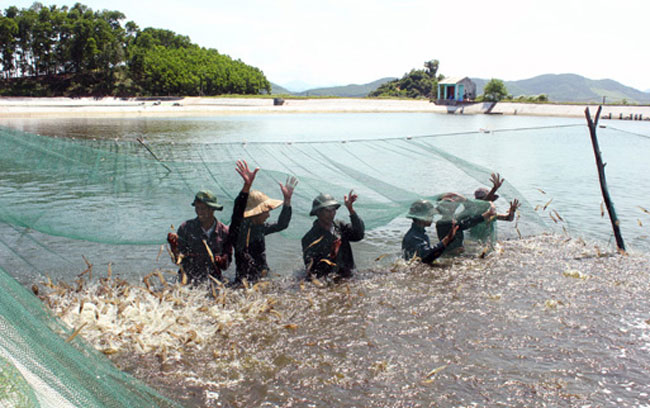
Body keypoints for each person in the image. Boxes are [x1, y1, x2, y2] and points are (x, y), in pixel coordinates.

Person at [168, 160, 258, 284]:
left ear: (213, 209)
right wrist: (173, 246)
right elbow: (177, 259)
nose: (200, 212)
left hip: (212, 281)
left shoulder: (224, 232)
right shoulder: (186, 228)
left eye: (204, 208)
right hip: (188, 279)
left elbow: (226, 265)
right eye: (197, 208)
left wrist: (221, 260)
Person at [233, 176, 298, 284]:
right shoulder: (240, 231)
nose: (268, 215)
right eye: (266, 211)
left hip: (262, 274)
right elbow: (242, 255)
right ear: (256, 213)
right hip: (246, 280)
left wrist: (287, 201)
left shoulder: (259, 227)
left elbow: (281, 225)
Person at [302, 190, 364, 280]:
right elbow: (311, 268)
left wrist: (351, 210)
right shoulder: (309, 238)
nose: (332, 214)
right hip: (330, 281)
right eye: (327, 210)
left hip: (350, 276)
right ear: (318, 212)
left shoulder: (340, 227)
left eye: (334, 210)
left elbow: (359, 235)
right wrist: (331, 254)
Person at [468, 173, 521, 243]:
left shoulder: (491, 214)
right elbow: (483, 204)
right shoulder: (473, 211)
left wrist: (512, 212)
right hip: (472, 240)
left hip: (486, 240)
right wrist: (494, 189)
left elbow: (509, 218)